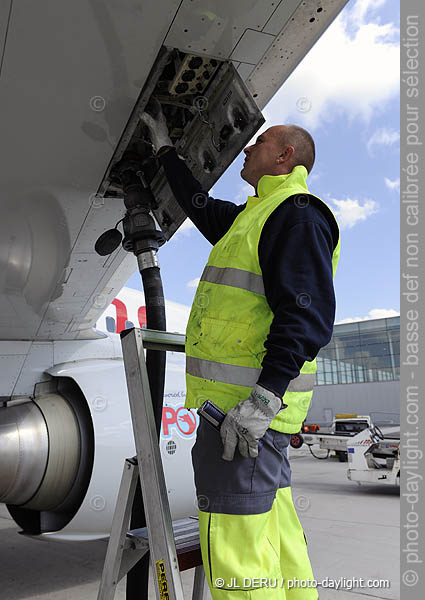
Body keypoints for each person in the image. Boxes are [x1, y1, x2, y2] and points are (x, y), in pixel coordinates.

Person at [141, 108, 340, 599]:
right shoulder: (256, 216)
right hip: (249, 416)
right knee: (277, 542)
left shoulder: (296, 213)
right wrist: (167, 151)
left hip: (242, 416)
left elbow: (305, 315)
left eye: (261, 142)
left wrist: (263, 400)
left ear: (285, 155)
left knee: (236, 558)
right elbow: (201, 206)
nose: (248, 148)